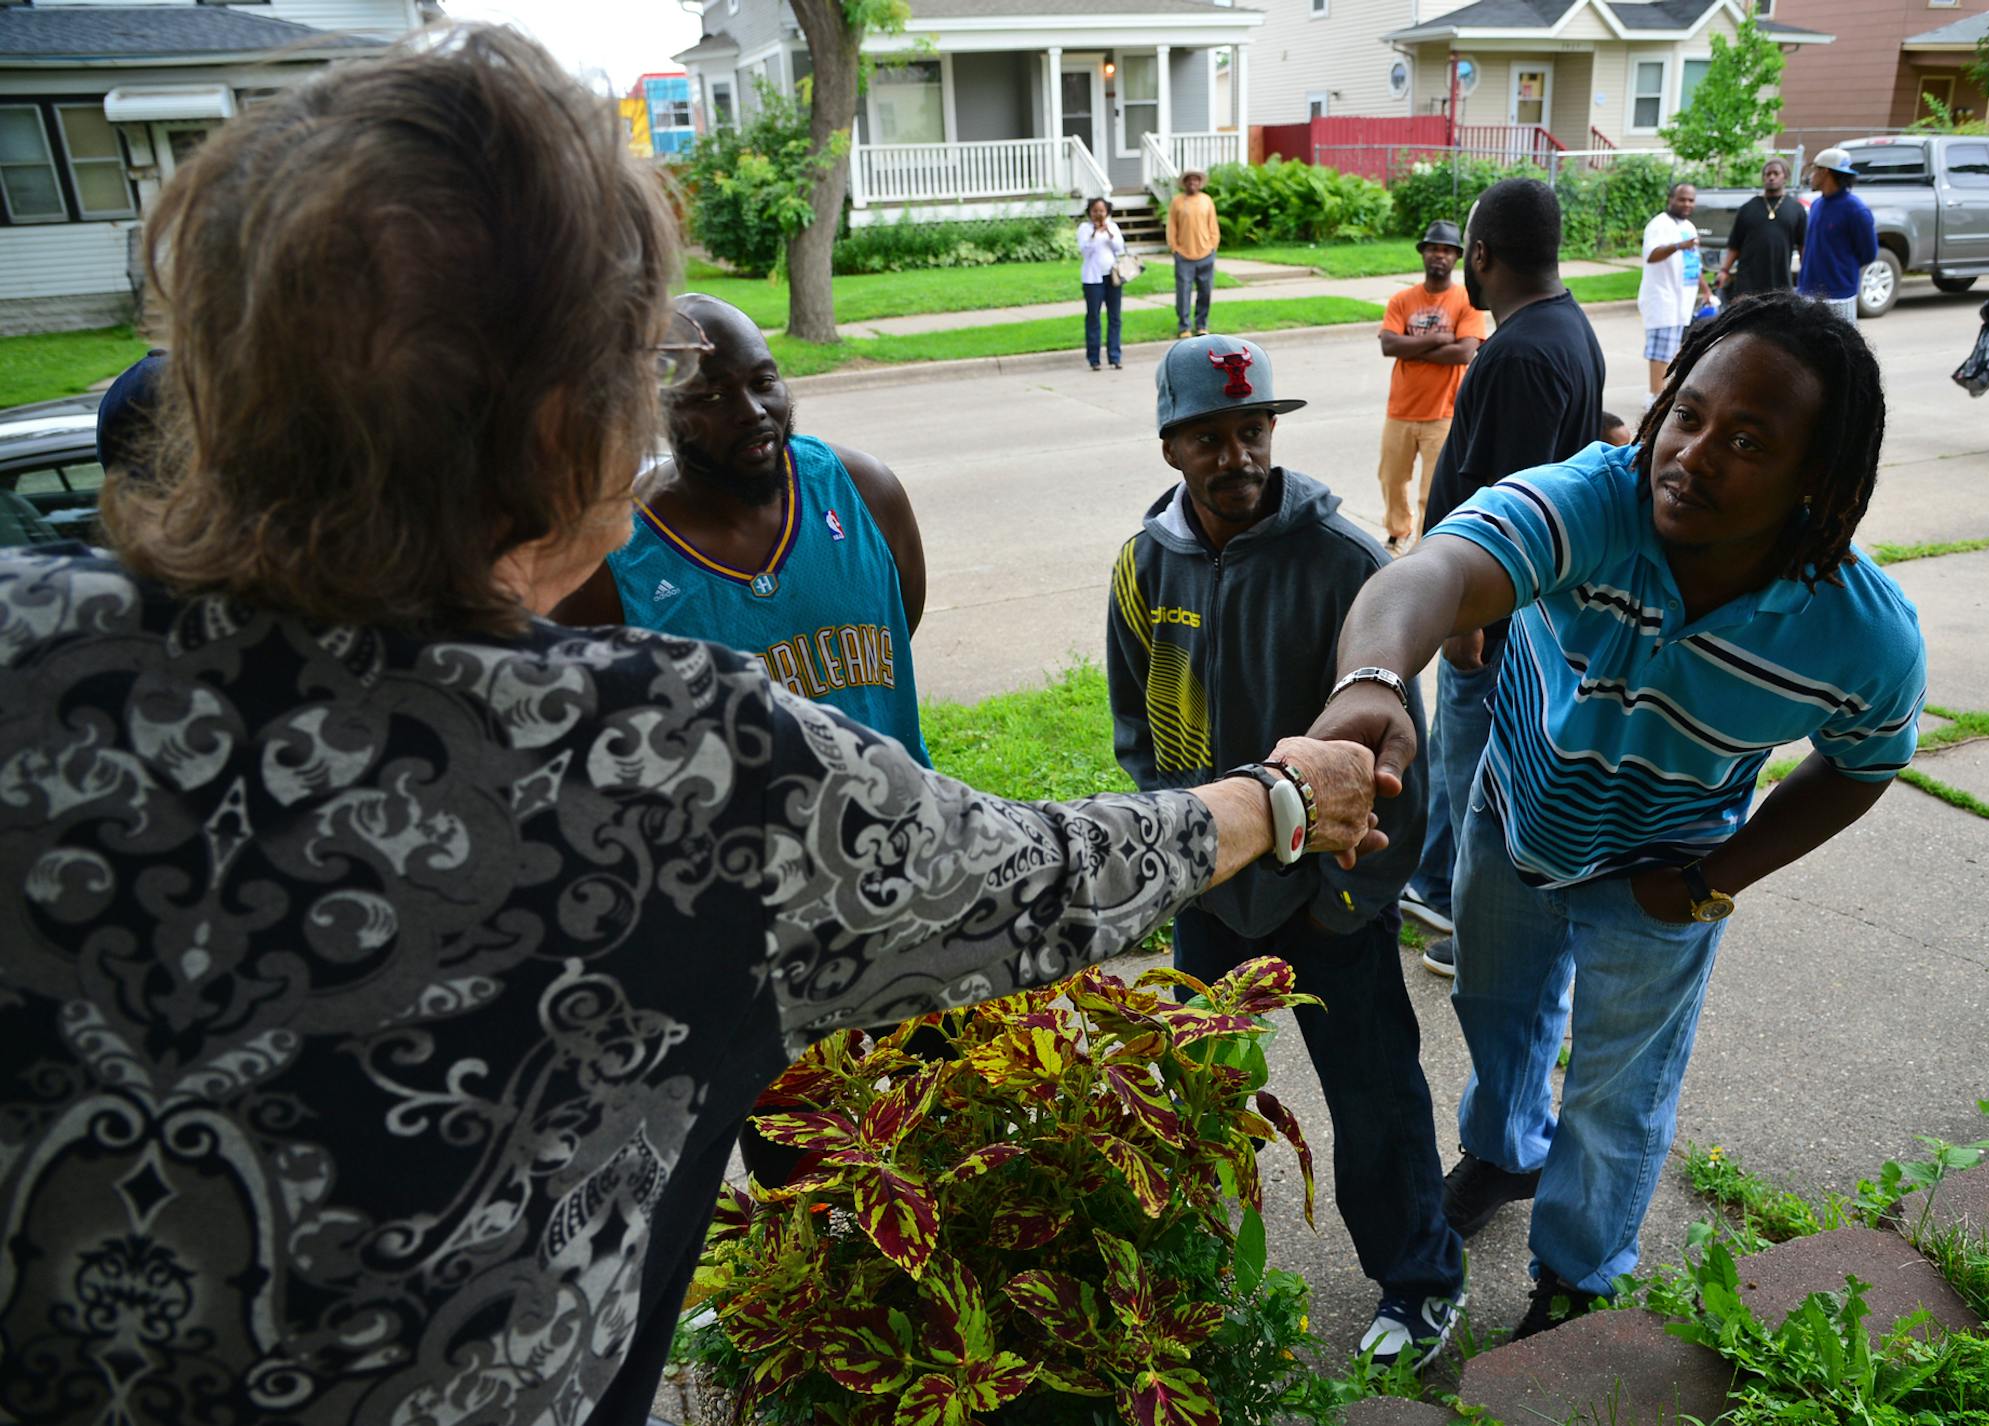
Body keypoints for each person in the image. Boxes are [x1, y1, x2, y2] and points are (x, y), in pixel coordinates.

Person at [0, 28, 1390, 1424]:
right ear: (564, 428)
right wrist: (1281, 795)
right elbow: (1038, 879)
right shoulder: (674, 758)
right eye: (640, 376)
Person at [1313, 291, 1928, 1339]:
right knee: (1498, 1015)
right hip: (1515, 826)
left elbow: (1865, 763)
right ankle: (1505, 1152)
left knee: (1617, 1089)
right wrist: (1370, 682)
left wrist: (1719, 873)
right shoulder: (1595, 502)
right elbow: (1436, 569)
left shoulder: (1860, 634)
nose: (1692, 452)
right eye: (1687, 413)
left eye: (1746, 439)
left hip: (1664, 873)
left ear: (1815, 477)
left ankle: (1579, 1273)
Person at [1108, 334, 1463, 1371]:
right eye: (1211, 437)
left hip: (1328, 903)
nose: (1239, 455)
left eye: (1254, 429)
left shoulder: (1347, 565)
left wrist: (1342, 901)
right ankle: (1192, 1273)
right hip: (1209, 889)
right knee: (1195, 1095)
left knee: (1375, 1094)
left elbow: (1403, 765)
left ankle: (1421, 1279)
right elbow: (1137, 727)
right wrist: (1187, 850)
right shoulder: (1143, 566)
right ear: (1173, 446)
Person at [551, 294, 931, 765]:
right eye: (710, 395)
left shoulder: (865, 491)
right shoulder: (611, 557)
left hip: (898, 817)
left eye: (763, 381)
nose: (751, 411)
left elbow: (900, 622)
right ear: (656, 411)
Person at [1398, 179, 1606, 977]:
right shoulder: (1563, 328)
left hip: (1494, 616)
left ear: (1480, 256)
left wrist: (1463, 618)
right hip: (1506, 608)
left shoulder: (1520, 352)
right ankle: (1434, 884)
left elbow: (1512, 508)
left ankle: (1470, 923)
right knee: (1460, 761)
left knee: (1476, 770)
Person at [1376, 219, 1489, 556]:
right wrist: (1441, 337)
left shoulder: (1466, 301)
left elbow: (1464, 352)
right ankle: (1397, 532)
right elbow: (1389, 346)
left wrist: (1413, 343)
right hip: (1400, 409)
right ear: (1423, 253)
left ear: (1457, 257)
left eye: (1446, 250)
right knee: (1391, 480)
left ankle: (1425, 547)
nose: (1439, 255)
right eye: (1433, 248)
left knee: (1432, 488)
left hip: (1444, 411)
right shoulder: (1402, 299)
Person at [1639, 182, 1714, 405]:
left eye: (1691, 200)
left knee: (1674, 351)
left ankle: (1663, 396)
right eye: (1682, 199)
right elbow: (1651, 255)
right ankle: (1654, 397)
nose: (1687, 204)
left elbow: (1693, 263)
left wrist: (1706, 290)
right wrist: (1679, 245)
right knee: (1660, 352)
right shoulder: (1659, 225)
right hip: (1663, 299)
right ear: (1670, 199)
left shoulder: (1689, 227)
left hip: (1683, 301)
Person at [1794, 148, 1877, 324]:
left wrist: (1839, 269)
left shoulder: (1855, 209)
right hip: (1807, 292)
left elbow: (1868, 254)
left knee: (1840, 348)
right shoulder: (1816, 205)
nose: (1811, 176)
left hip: (1838, 296)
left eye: (1815, 169)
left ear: (1826, 172)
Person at [1716, 158, 1807, 302]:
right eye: (1767, 174)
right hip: (1748, 281)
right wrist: (1724, 271)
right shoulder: (1747, 208)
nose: (1771, 177)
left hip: (1780, 280)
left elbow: (1803, 245)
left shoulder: (1796, 209)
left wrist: (1806, 272)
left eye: (1776, 173)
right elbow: (1734, 244)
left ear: (1785, 177)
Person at [1168, 168, 1220, 338]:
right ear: (1184, 183)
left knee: (1205, 291)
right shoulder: (1177, 202)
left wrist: (1213, 246)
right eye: (1189, 180)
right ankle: (1184, 326)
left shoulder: (1207, 201)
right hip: (1184, 255)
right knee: (1183, 292)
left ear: (1200, 183)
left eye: (1195, 180)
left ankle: (1202, 324)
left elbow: (1213, 226)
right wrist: (1175, 248)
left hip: (1206, 254)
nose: (1192, 183)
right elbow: (1172, 227)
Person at [1079, 195, 1127, 371]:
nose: (1098, 214)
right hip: (1093, 279)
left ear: (1107, 212)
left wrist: (1108, 233)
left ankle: (1115, 356)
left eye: (1101, 211)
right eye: (1095, 211)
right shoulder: (1084, 228)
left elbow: (1119, 248)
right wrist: (1094, 234)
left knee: (1114, 318)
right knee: (1093, 317)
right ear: (1090, 212)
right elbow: (1085, 251)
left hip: (1112, 277)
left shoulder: (1112, 226)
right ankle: (1094, 358)